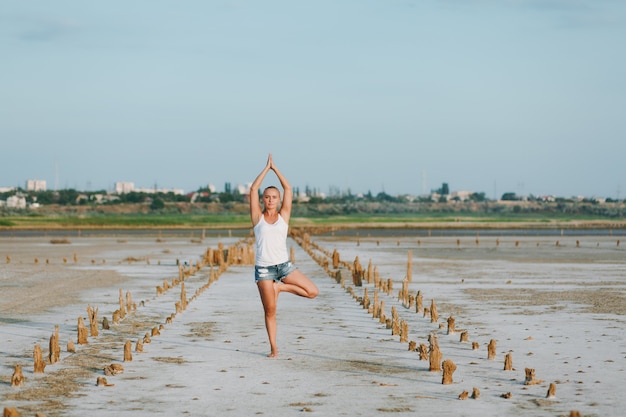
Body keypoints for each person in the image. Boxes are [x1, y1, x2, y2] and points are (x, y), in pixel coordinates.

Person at [249, 153, 319, 358]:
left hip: (284, 266)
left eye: (274, 197)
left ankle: (280, 287)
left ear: (279, 200)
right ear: (263, 199)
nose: (271, 200)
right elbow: (253, 189)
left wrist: (275, 169)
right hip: (263, 270)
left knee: (312, 292)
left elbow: (288, 188)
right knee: (270, 311)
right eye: (267, 197)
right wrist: (265, 169)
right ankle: (274, 348)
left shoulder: (284, 216)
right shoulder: (257, 218)